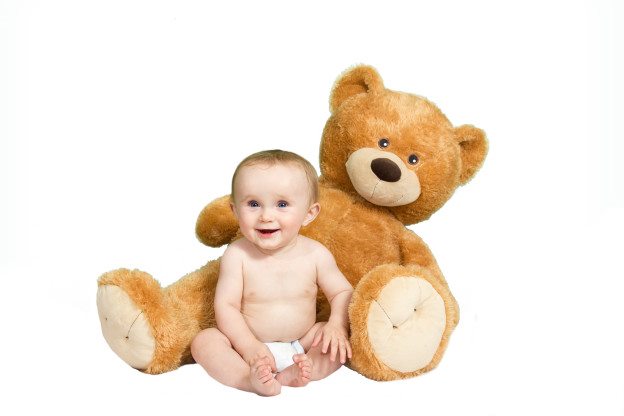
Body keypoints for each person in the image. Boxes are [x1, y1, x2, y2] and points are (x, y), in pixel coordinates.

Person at [191, 149, 354, 396]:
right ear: (235, 211)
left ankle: (303, 371)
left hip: (303, 343)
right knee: (204, 341)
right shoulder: (237, 255)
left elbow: (342, 292)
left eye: (282, 204)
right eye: (253, 204)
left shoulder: (316, 254)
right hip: (246, 349)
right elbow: (226, 305)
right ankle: (248, 379)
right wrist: (249, 347)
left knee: (334, 342)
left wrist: (336, 325)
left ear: (309, 214)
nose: (266, 216)